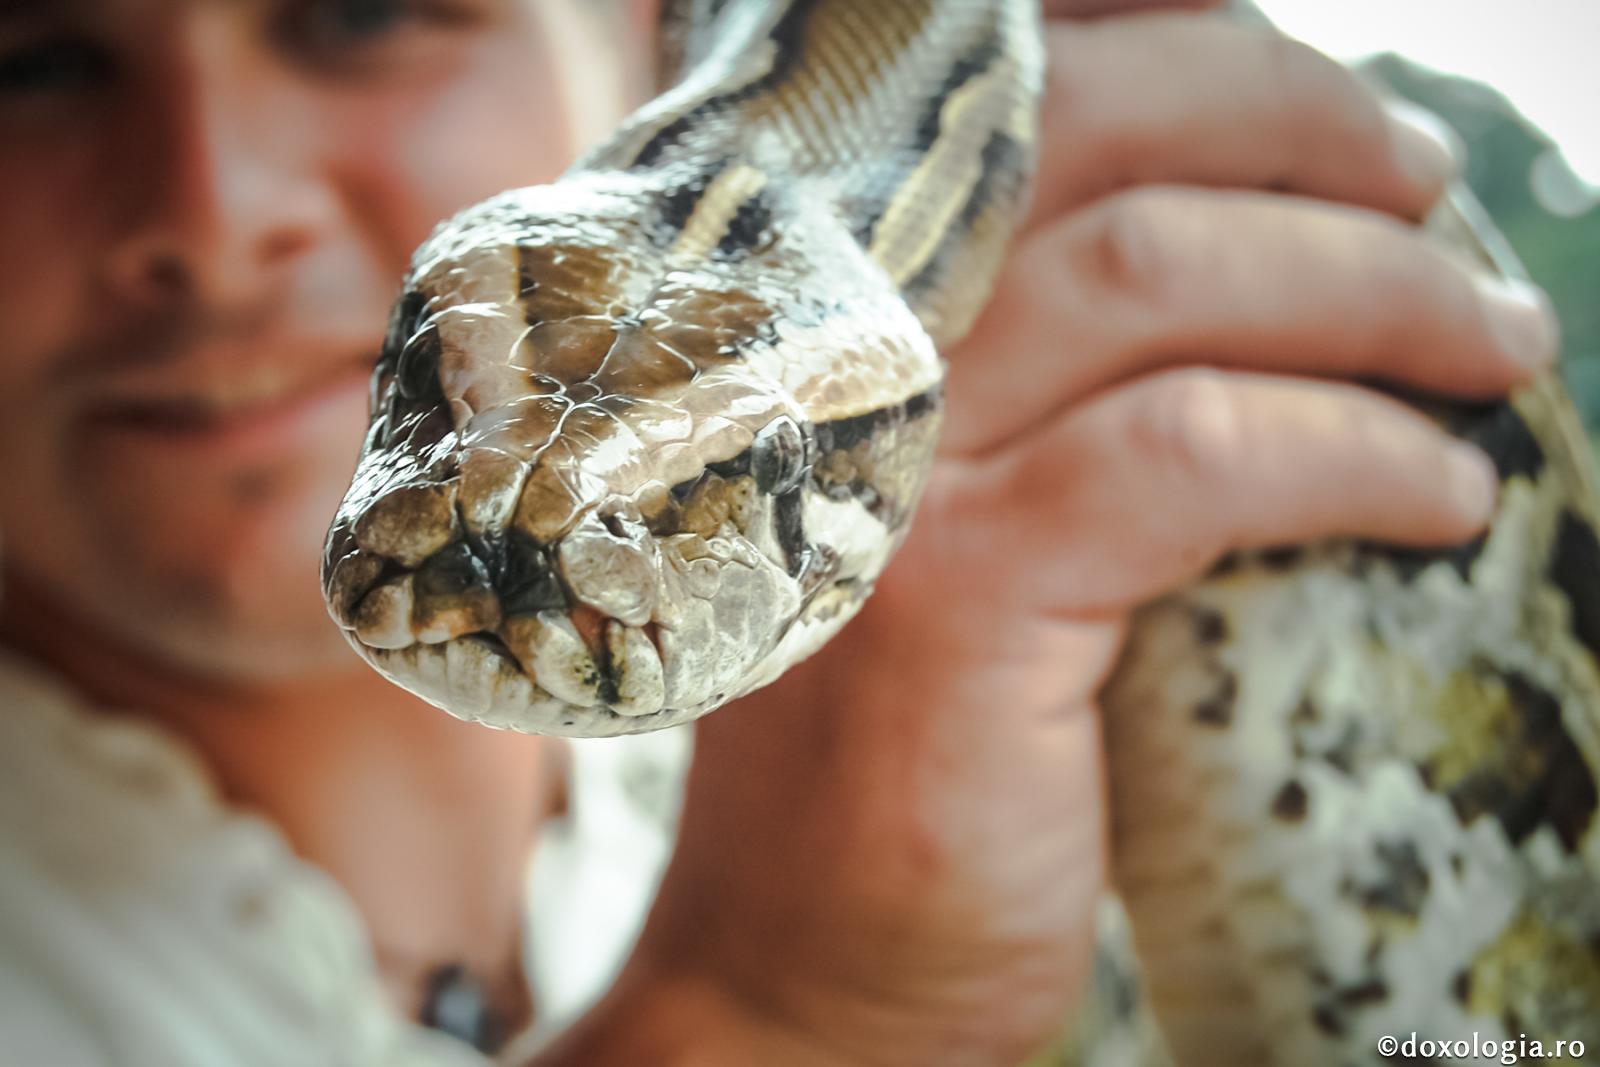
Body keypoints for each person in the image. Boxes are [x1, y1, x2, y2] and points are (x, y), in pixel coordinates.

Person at [0, 0, 1557, 1063]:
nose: (210, 216)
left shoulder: (1015, 649)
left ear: (640, 29)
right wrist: (771, 1022)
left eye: (359, 9)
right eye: (35, 59)